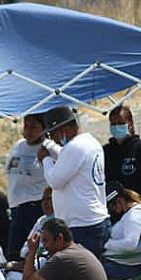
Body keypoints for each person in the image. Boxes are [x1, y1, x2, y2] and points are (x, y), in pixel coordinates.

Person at [37, 106, 110, 257]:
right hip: (89, 222)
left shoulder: (75, 147)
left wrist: (45, 159)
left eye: (52, 134)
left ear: (63, 129)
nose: (54, 139)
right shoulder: (88, 142)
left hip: (83, 225)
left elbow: (55, 181)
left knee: (81, 276)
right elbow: (68, 162)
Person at [5, 114, 49, 262]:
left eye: (33, 127)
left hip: (35, 206)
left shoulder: (47, 148)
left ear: (43, 129)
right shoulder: (19, 145)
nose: (28, 131)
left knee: (31, 252)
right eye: (26, 126)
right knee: (14, 254)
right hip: (16, 207)